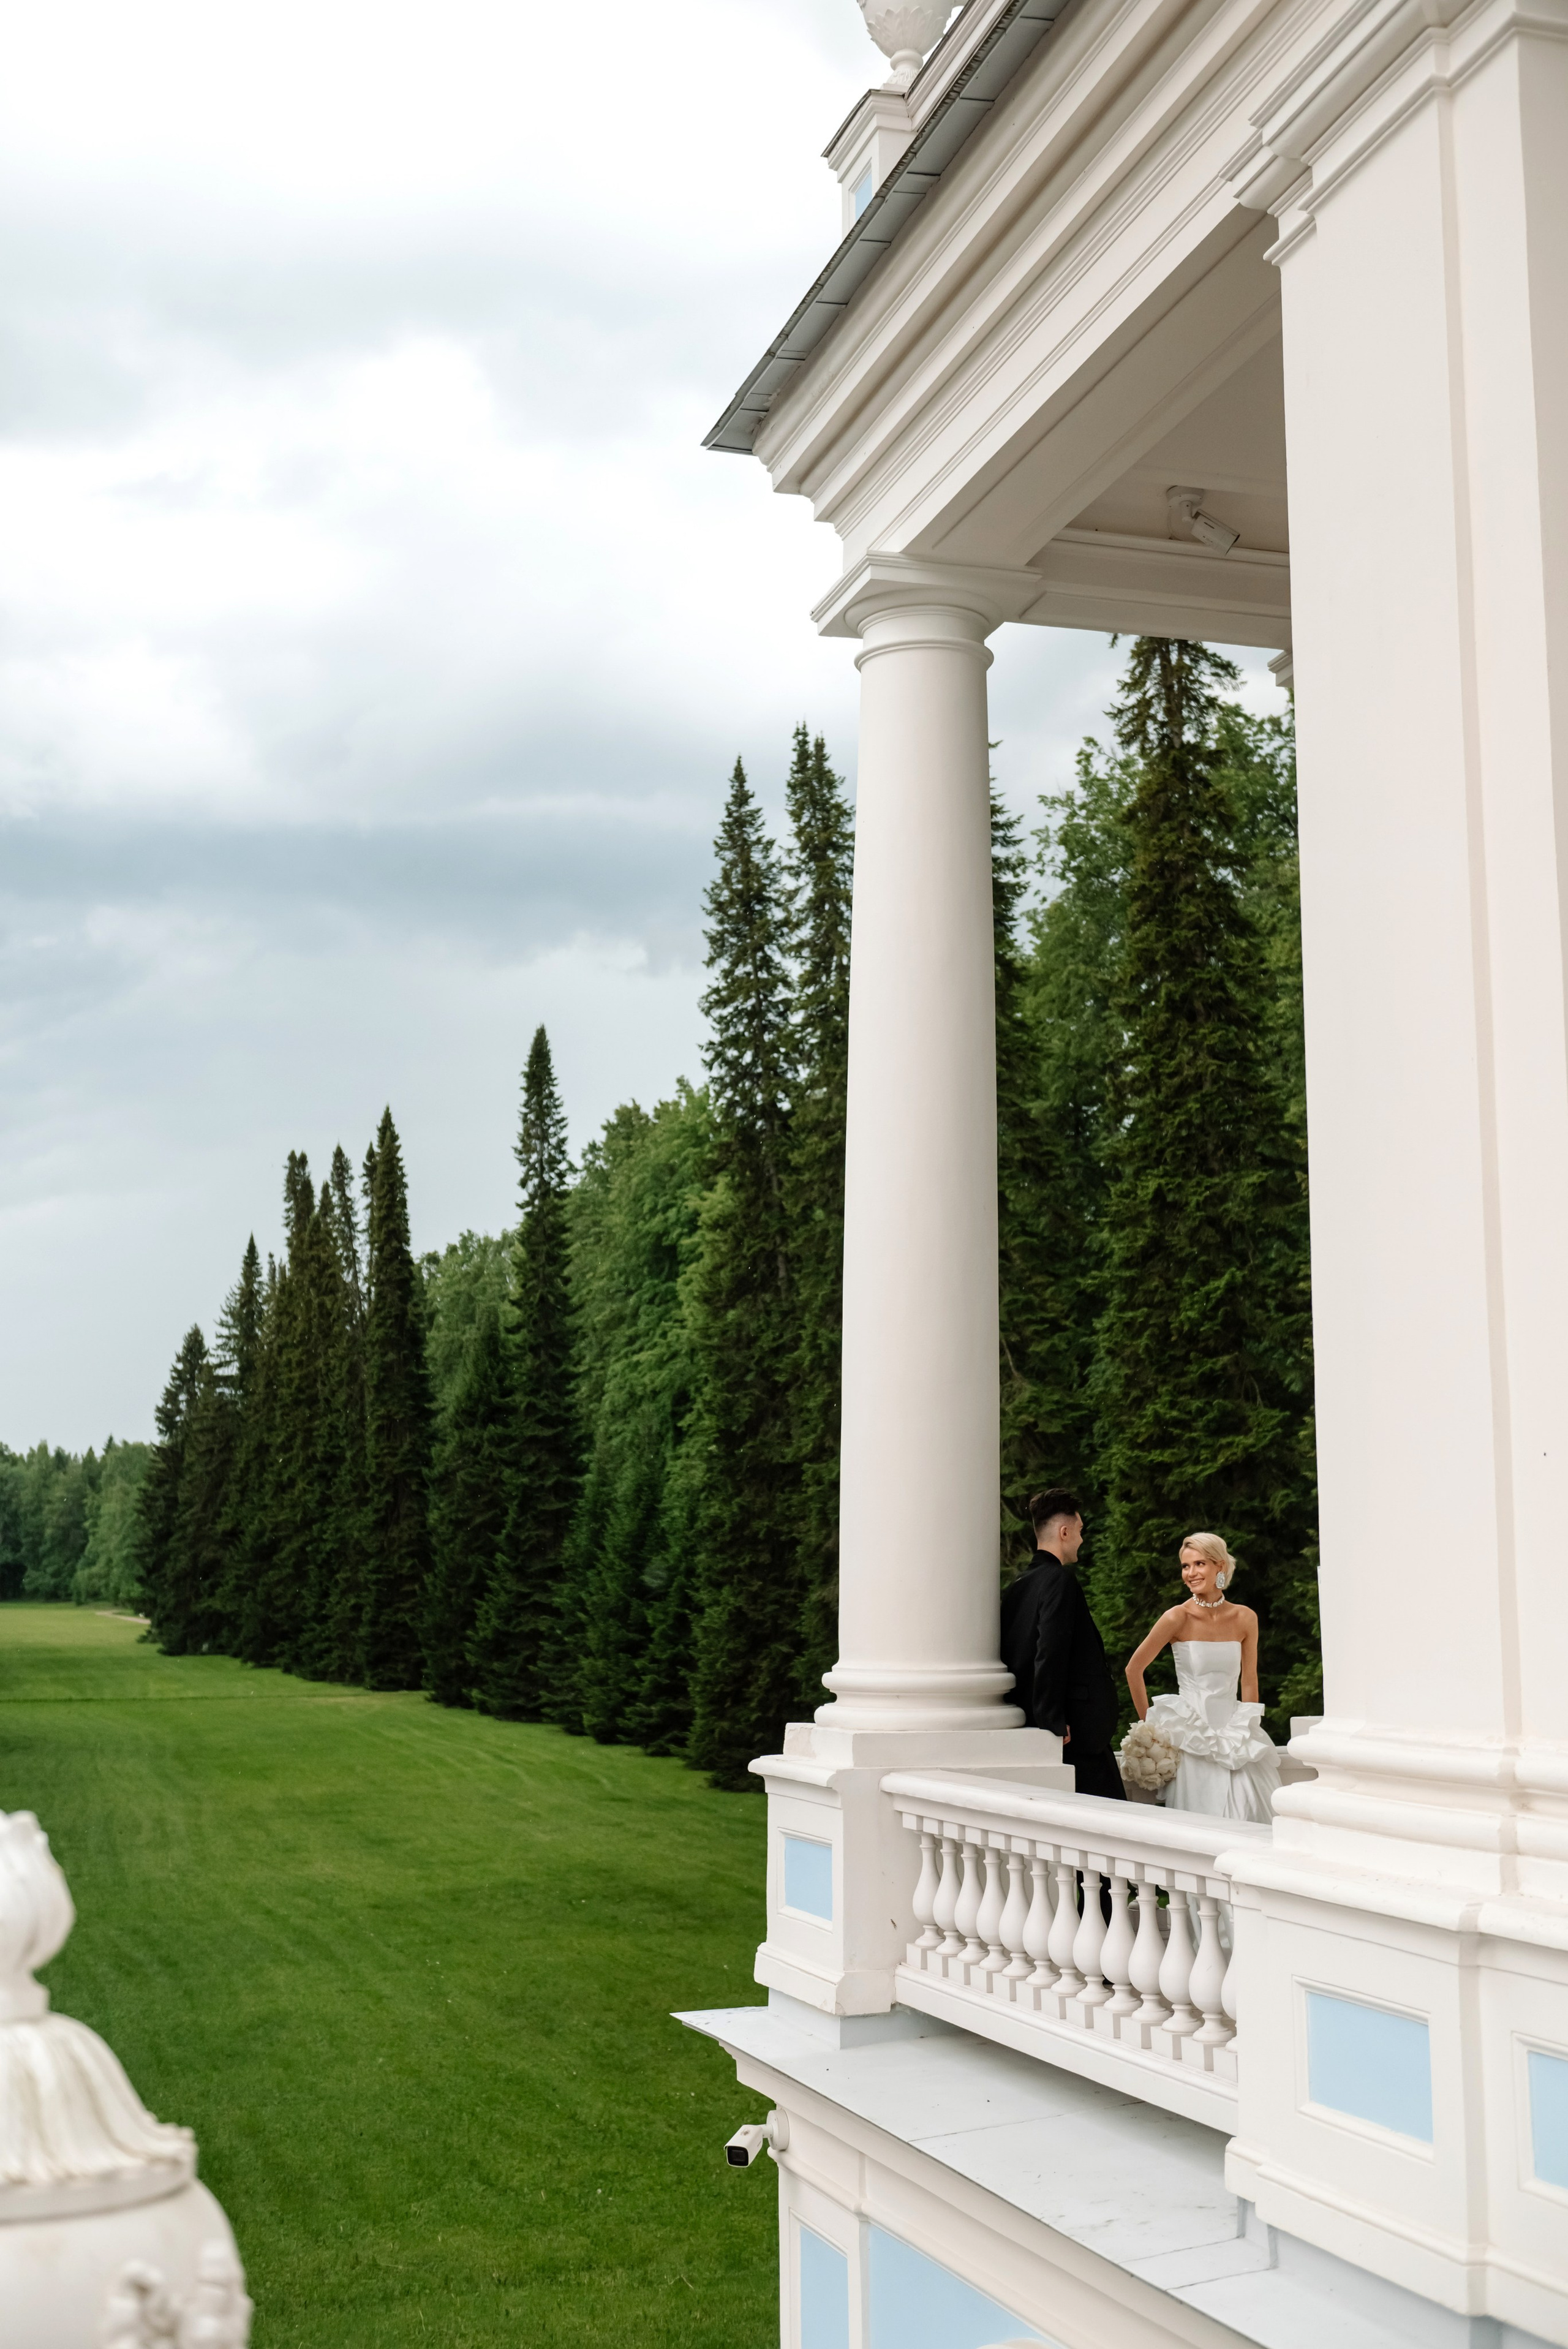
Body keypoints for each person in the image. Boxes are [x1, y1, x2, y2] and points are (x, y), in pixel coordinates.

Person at [1123, 1532, 1281, 1822]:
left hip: (1237, 1735)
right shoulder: (1177, 1618)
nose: (1191, 1573)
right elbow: (1134, 1670)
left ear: (1220, 1567)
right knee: (1200, 1822)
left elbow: (1249, 1680)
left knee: (1252, 1815)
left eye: (1199, 1564)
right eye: (1185, 1566)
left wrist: (1249, 1727)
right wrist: (1151, 1731)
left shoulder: (1245, 1617)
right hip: (1192, 1738)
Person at [999, 1488, 1125, 1801]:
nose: (1082, 1539)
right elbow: (1050, 1651)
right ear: (1064, 1532)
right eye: (1080, 1531)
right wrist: (1052, 1718)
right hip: (1075, 1733)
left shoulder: (1018, 1585)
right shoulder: (1059, 1580)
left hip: (1047, 1727)